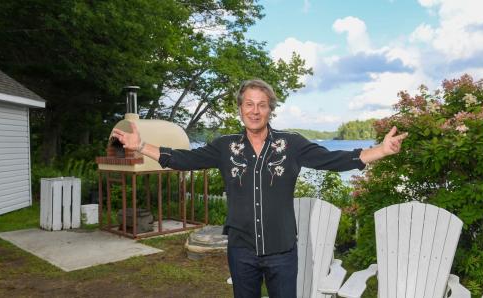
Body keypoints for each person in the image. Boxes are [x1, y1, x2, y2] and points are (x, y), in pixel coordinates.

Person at [112, 79, 407, 298]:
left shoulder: (291, 144)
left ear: (270, 110)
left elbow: (333, 160)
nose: (255, 111)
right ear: (240, 108)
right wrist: (140, 145)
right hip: (241, 250)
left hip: (282, 250)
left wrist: (379, 151)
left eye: (262, 105)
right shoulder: (224, 147)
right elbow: (182, 159)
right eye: (249, 104)